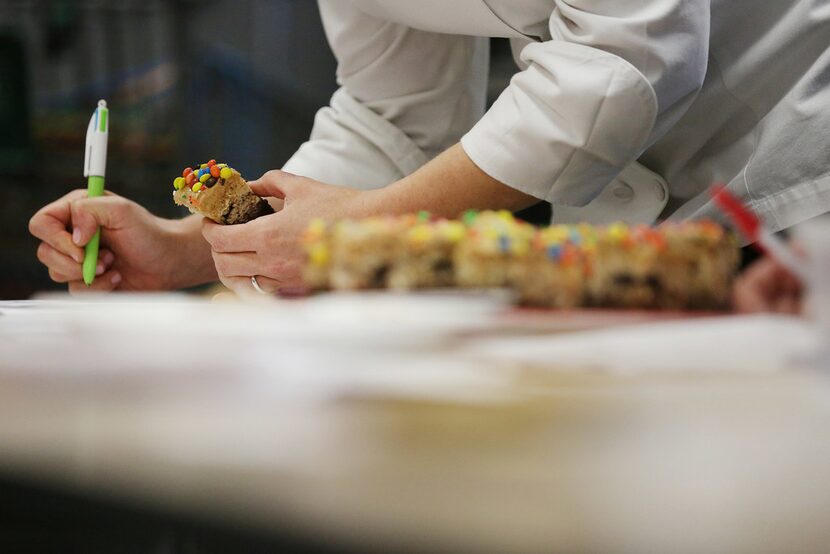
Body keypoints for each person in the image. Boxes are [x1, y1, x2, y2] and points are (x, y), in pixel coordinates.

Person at [30, 0, 830, 297]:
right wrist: (194, 251)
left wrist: (365, 226)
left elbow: (625, 62)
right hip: (631, 232)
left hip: (792, 175)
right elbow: (395, 119)